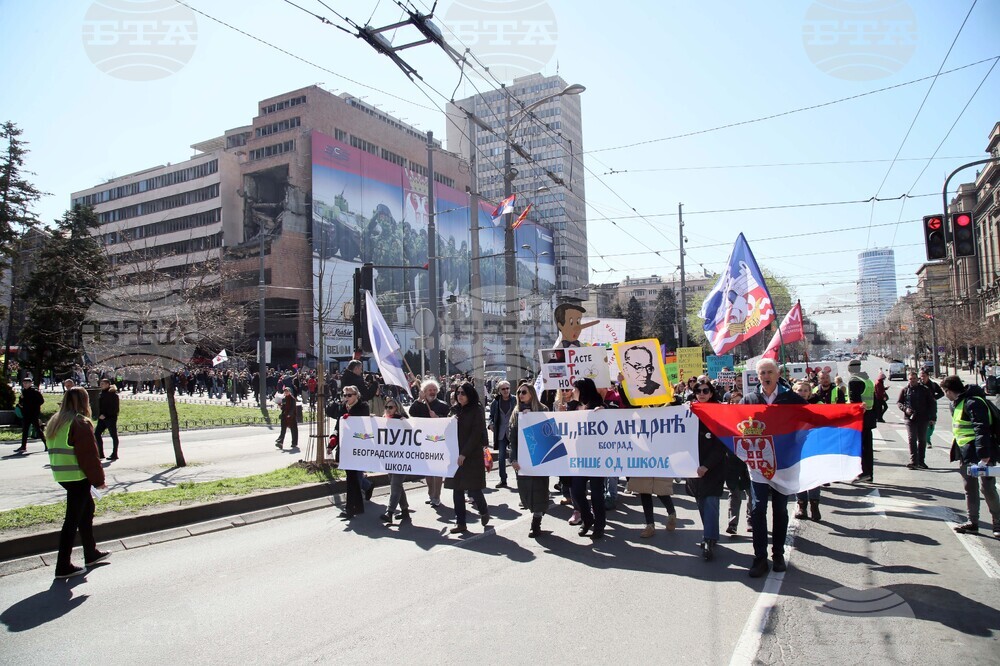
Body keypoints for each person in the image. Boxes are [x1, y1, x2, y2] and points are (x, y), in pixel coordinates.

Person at [741, 357, 807, 578]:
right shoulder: (749, 399)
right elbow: (733, 424)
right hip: (758, 465)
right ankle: (759, 558)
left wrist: (853, 410)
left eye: (769, 372)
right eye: (762, 373)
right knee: (758, 509)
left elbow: (814, 420)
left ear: (778, 374)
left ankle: (777, 554)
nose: (766, 377)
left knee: (779, 510)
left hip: (784, 465)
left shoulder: (792, 399)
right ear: (757, 377)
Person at [44, 387, 109, 579]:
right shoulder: (80, 422)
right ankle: (63, 565)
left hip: (63, 475)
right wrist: (99, 481)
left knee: (86, 511)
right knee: (72, 521)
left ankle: (91, 553)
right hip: (77, 476)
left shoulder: (56, 421)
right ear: (84, 402)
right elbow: (89, 456)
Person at [941, 376, 1000, 537]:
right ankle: (972, 522)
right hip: (966, 452)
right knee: (970, 488)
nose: (945, 395)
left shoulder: (973, 402)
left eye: (944, 391)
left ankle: (998, 524)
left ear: (949, 390)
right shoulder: (957, 404)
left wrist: (985, 456)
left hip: (981, 453)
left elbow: (982, 429)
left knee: (987, 488)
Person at [691, 378, 728, 560]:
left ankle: (708, 539)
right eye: (698, 391)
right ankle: (710, 533)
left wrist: (707, 465)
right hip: (694, 466)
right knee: (701, 502)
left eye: (705, 391)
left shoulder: (719, 411)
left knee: (711, 501)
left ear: (711, 393)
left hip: (713, 467)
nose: (702, 394)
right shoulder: (689, 410)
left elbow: (722, 444)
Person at [447, 383, 490, 534]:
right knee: (457, 489)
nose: (459, 396)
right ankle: (461, 523)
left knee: (474, 488)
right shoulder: (455, 410)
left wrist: (464, 454)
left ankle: (484, 510)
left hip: (471, 456)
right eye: (458, 393)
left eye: (463, 393)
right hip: (455, 454)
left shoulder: (476, 410)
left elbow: (476, 434)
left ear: (470, 395)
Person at [509, 383, 550, 538]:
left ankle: (536, 523)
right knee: (525, 491)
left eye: (524, 392)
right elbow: (512, 438)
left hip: (539, 457)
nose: (520, 395)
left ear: (531, 393)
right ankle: (536, 512)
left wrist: (533, 416)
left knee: (539, 491)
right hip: (522, 457)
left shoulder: (543, 410)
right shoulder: (516, 412)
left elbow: (548, 433)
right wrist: (512, 458)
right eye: (519, 392)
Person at [570, 378, 607, 539]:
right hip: (580, 457)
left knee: (597, 494)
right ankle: (587, 518)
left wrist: (604, 410)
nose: (572, 392)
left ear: (583, 390)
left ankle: (599, 525)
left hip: (596, 458)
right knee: (577, 491)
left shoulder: (598, 406)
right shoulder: (573, 406)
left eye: (575, 389)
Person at [409, 379, 450, 507]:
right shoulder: (419, 405)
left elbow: (449, 422)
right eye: (429, 390)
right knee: (427, 470)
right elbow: (411, 412)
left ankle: (437, 496)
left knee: (437, 471)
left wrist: (437, 418)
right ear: (424, 392)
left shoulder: (443, 405)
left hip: (438, 442)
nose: (432, 392)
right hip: (424, 442)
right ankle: (430, 493)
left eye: (434, 390)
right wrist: (418, 400)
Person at [337, 385, 370, 518]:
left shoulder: (363, 406)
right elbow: (336, 422)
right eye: (345, 395)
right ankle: (355, 504)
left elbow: (361, 423)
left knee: (353, 478)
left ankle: (352, 507)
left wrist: (348, 416)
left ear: (357, 395)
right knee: (351, 477)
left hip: (358, 446)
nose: (346, 398)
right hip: (345, 446)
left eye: (349, 395)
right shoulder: (343, 407)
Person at [793, 380, 824, 521]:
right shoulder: (788, 408)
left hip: (813, 446)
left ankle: (814, 505)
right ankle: (802, 506)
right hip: (795, 447)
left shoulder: (816, 407)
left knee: (813, 476)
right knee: (798, 477)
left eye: (805, 390)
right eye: (799, 390)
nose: (802, 393)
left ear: (810, 393)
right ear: (794, 392)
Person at [380, 398, 412, 526]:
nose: (388, 409)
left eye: (391, 407)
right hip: (389, 457)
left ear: (397, 408)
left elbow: (412, 432)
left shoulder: (402, 421)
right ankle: (404, 510)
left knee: (395, 484)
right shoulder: (383, 421)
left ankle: (390, 512)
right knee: (397, 484)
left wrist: (404, 423)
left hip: (402, 457)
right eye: (387, 407)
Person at [898, 371, 935, 470]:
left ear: (917, 379)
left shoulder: (925, 390)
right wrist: (905, 409)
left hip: (923, 418)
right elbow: (899, 403)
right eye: (910, 379)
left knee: (922, 440)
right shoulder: (905, 390)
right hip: (909, 418)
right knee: (912, 438)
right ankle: (914, 461)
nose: (912, 381)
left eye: (914, 378)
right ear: (908, 379)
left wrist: (932, 418)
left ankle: (921, 461)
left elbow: (932, 403)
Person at [848, 360, 876, 483]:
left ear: (850, 369)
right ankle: (869, 474)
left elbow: (855, 402)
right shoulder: (867, 380)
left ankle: (863, 473)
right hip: (869, 417)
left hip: (860, 419)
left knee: (859, 447)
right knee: (868, 447)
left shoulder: (854, 380)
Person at [488, 381, 515, 489]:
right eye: (503, 389)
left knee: (515, 456)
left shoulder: (515, 400)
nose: (506, 391)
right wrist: (491, 424)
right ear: (499, 390)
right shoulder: (496, 402)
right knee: (501, 456)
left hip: (513, 432)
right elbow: (491, 416)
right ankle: (503, 479)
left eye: (507, 388)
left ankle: (520, 478)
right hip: (500, 432)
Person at [14, 376, 47, 454]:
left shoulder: (35, 391)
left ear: (30, 383)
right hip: (26, 413)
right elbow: (21, 401)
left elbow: (41, 401)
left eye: (26, 383)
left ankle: (46, 444)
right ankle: (23, 446)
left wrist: (33, 405)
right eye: (24, 383)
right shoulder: (23, 391)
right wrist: (21, 401)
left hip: (33, 413)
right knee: (25, 430)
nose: (25, 384)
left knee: (37, 429)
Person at [95, 378, 121, 460]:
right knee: (96, 434)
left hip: (110, 418)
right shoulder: (102, 393)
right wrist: (99, 415)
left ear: (107, 384)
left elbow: (115, 408)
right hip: (101, 418)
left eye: (103, 384)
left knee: (113, 435)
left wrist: (105, 415)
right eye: (101, 383)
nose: (101, 385)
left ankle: (114, 454)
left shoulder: (113, 394)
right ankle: (100, 453)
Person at [919, 369, 944, 448]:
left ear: (928, 376)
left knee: (931, 425)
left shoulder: (933, 385)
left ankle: (927, 438)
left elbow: (941, 393)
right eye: (921, 376)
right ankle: (927, 441)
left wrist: (934, 398)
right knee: (922, 425)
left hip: (931, 408)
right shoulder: (918, 385)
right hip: (921, 408)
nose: (922, 378)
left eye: (924, 376)